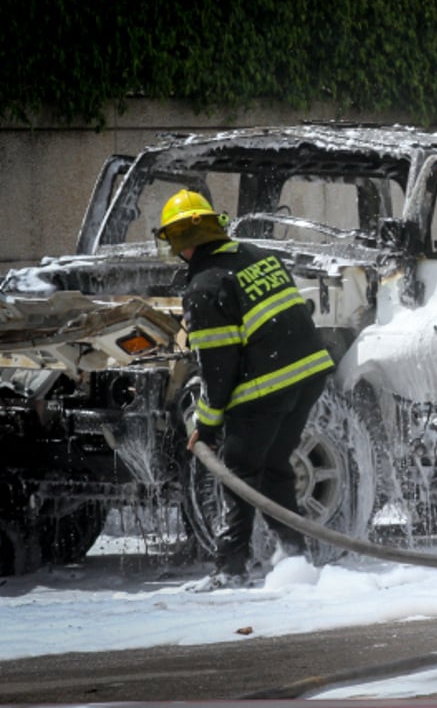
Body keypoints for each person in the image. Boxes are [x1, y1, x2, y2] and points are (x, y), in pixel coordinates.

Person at [154, 189, 336, 591]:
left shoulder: (204, 286)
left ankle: (230, 569)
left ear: (181, 242)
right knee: (272, 468)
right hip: (308, 375)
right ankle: (295, 558)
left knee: (238, 471)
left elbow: (219, 370)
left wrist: (208, 424)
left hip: (266, 386)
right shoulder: (256, 255)